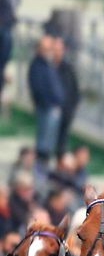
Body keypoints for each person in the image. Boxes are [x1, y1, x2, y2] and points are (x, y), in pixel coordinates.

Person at [27, 34, 63, 168]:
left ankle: (45, 167)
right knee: (44, 141)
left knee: (49, 141)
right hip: (46, 108)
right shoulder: (37, 65)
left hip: (53, 107)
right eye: (46, 48)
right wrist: (50, 104)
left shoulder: (47, 64)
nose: (49, 51)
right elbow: (39, 89)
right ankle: (40, 168)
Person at [52, 36, 78, 160]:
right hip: (51, 111)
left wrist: (72, 108)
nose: (58, 52)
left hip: (66, 111)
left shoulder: (68, 68)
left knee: (62, 143)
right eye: (55, 49)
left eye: (60, 49)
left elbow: (74, 89)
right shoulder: (46, 66)